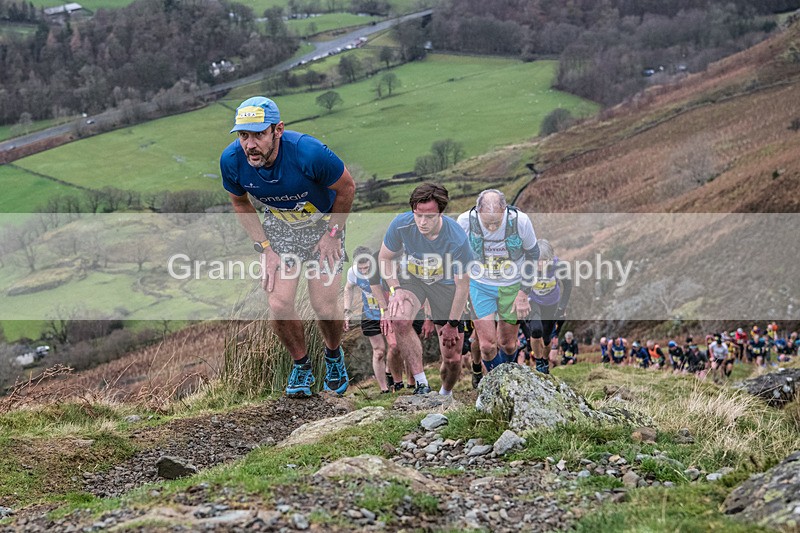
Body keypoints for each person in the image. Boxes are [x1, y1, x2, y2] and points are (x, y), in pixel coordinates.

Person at [220, 96, 356, 397]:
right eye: (244, 136)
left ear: (277, 130)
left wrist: (333, 233)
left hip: (324, 225)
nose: (250, 144)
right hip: (281, 229)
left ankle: (333, 355)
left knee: (323, 304)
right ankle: (302, 366)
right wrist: (265, 249)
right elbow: (240, 202)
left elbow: (347, 188)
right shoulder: (232, 161)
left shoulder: (309, 153)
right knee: (279, 303)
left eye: (258, 134)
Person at [379, 183, 474, 396]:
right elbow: (384, 258)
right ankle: (421, 384)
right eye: (417, 215)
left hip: (446, 286)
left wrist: (452, 324)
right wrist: (396, 289)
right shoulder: (401, 224)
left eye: (429, 217)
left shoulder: (456, 239)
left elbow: (462, 285)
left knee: (452, 358)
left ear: (440, 213)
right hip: (414, 279)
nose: (422, 222)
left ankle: (445, 394)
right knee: (400, 318)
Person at [456, 189, 539, 383]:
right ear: (478, 212)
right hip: (480, 284)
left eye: (496, 222)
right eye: (487, 222)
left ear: (505, 209)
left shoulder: (520, 221)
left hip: (512, 284)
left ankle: (507, 375)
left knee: (508, 344)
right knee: (487, 345)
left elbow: (533, 255)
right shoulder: (466, 221)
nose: (492, 227)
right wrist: (462, 284)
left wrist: (523, 292)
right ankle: (499, 384)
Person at [344, 246, 391, 393]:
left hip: (389, 313)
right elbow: (348, 288)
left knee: (395, 347)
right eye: (361, 268)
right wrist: (347, 311)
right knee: (379, 351)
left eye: (367, 267)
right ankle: (384, 389)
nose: (364, 271)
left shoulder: (381, 268)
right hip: (370, 314)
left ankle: (392, 375)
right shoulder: (352, 272)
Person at [525, 239, 572, 374]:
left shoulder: (559, 266)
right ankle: (539, 361)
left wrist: (562, 308)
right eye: (537, 260)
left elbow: (568, 286)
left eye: (544, 260)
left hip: (552, 304)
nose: (540, 264)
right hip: (533, 301)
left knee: (546, 338)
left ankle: (545, 361)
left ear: (550, 259)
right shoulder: (528, 265)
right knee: (536, 330)